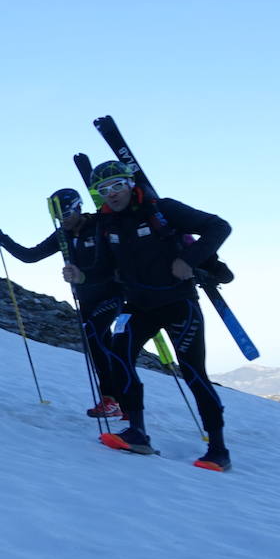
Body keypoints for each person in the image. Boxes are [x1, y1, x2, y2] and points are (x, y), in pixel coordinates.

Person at [68, 161, 233, 471]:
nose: (111, 194)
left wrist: (189, 259)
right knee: (119, 355)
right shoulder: (106, 224)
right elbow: (104, 269)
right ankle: (137, 432)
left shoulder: (163, 209)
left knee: (193, 372)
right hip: (139, 304)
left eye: (117, 185)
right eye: (104, 190)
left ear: (130, 183)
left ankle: (218, 450)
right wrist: (81, 277)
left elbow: (219, 226)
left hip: (178, 302)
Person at [0, 189, 123, 418]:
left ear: (79, 208)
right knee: (100, 345)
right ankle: (121, 400)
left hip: (112, 294)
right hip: (86, 298)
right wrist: (4, 239)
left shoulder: (100, 225)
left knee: (96, 336)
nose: (65, 220)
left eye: (68, 214)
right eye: (60, 217)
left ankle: (113, 399)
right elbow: (31, 256)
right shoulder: (63, 235)